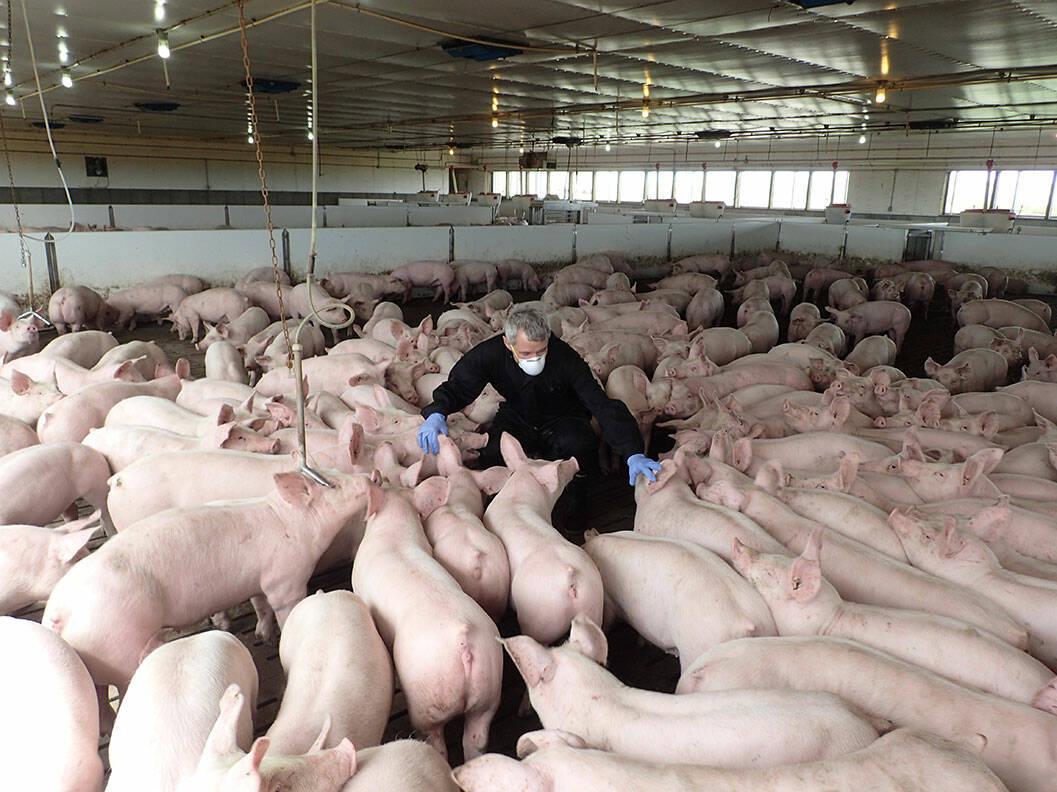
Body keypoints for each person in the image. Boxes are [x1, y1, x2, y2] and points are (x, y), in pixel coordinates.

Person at [417, 306, 661, 522]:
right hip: (518, 416)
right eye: (525, 353)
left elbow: (600, 404)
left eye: (541, 351)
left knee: (580, 446)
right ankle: (500, 508)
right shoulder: (489, 354)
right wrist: (437, 412)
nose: (534, 358)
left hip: (563, 417)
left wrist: (632, 452)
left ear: (548, 340)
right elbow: (459, 386)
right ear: (507, 343)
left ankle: (575, 508)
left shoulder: (566, 358)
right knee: (491, 450)